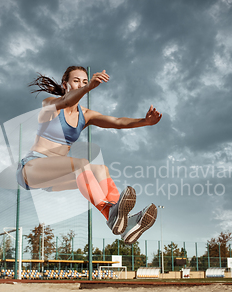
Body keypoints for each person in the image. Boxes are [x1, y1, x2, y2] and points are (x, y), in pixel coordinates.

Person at [16, 66, 162, 244]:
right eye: (76, 81)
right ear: (65, 84)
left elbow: (117, 122)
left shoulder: (85, 115)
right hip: (31, 169)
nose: (81, 84)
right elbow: (66, 102)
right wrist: (88, 88)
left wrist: (145, 121)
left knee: (101, 169)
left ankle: (124, 222)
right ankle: (112, 214)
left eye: (84, 81)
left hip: (54, 178)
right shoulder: (50, 104)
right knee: (81, 164)